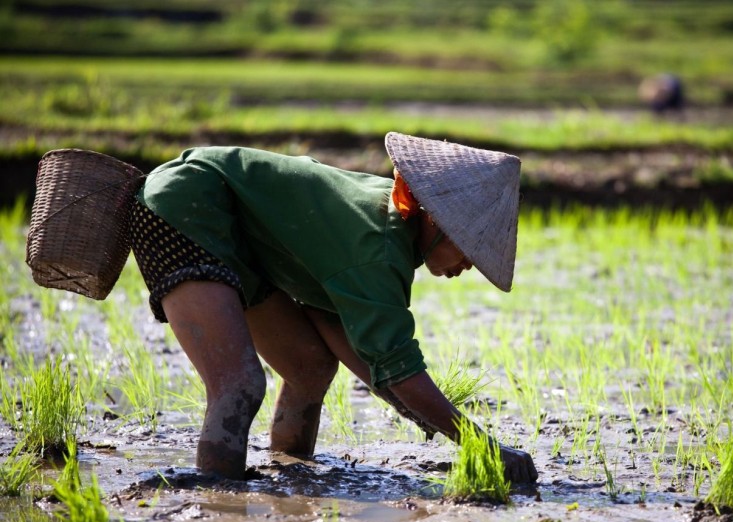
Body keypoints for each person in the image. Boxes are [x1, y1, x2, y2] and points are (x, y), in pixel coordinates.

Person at [128, 132, 538, 484]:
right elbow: (397, 366)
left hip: (239, 242)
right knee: (239, 384)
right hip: (188, 206)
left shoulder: (386, 231)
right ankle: (217, 508)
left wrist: (405, 401)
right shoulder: (378, 246)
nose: (467, 265)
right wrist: (483, 445)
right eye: (468, 249)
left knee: (309, 365)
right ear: (434, 221)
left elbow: (339, 325)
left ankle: (290, 472)